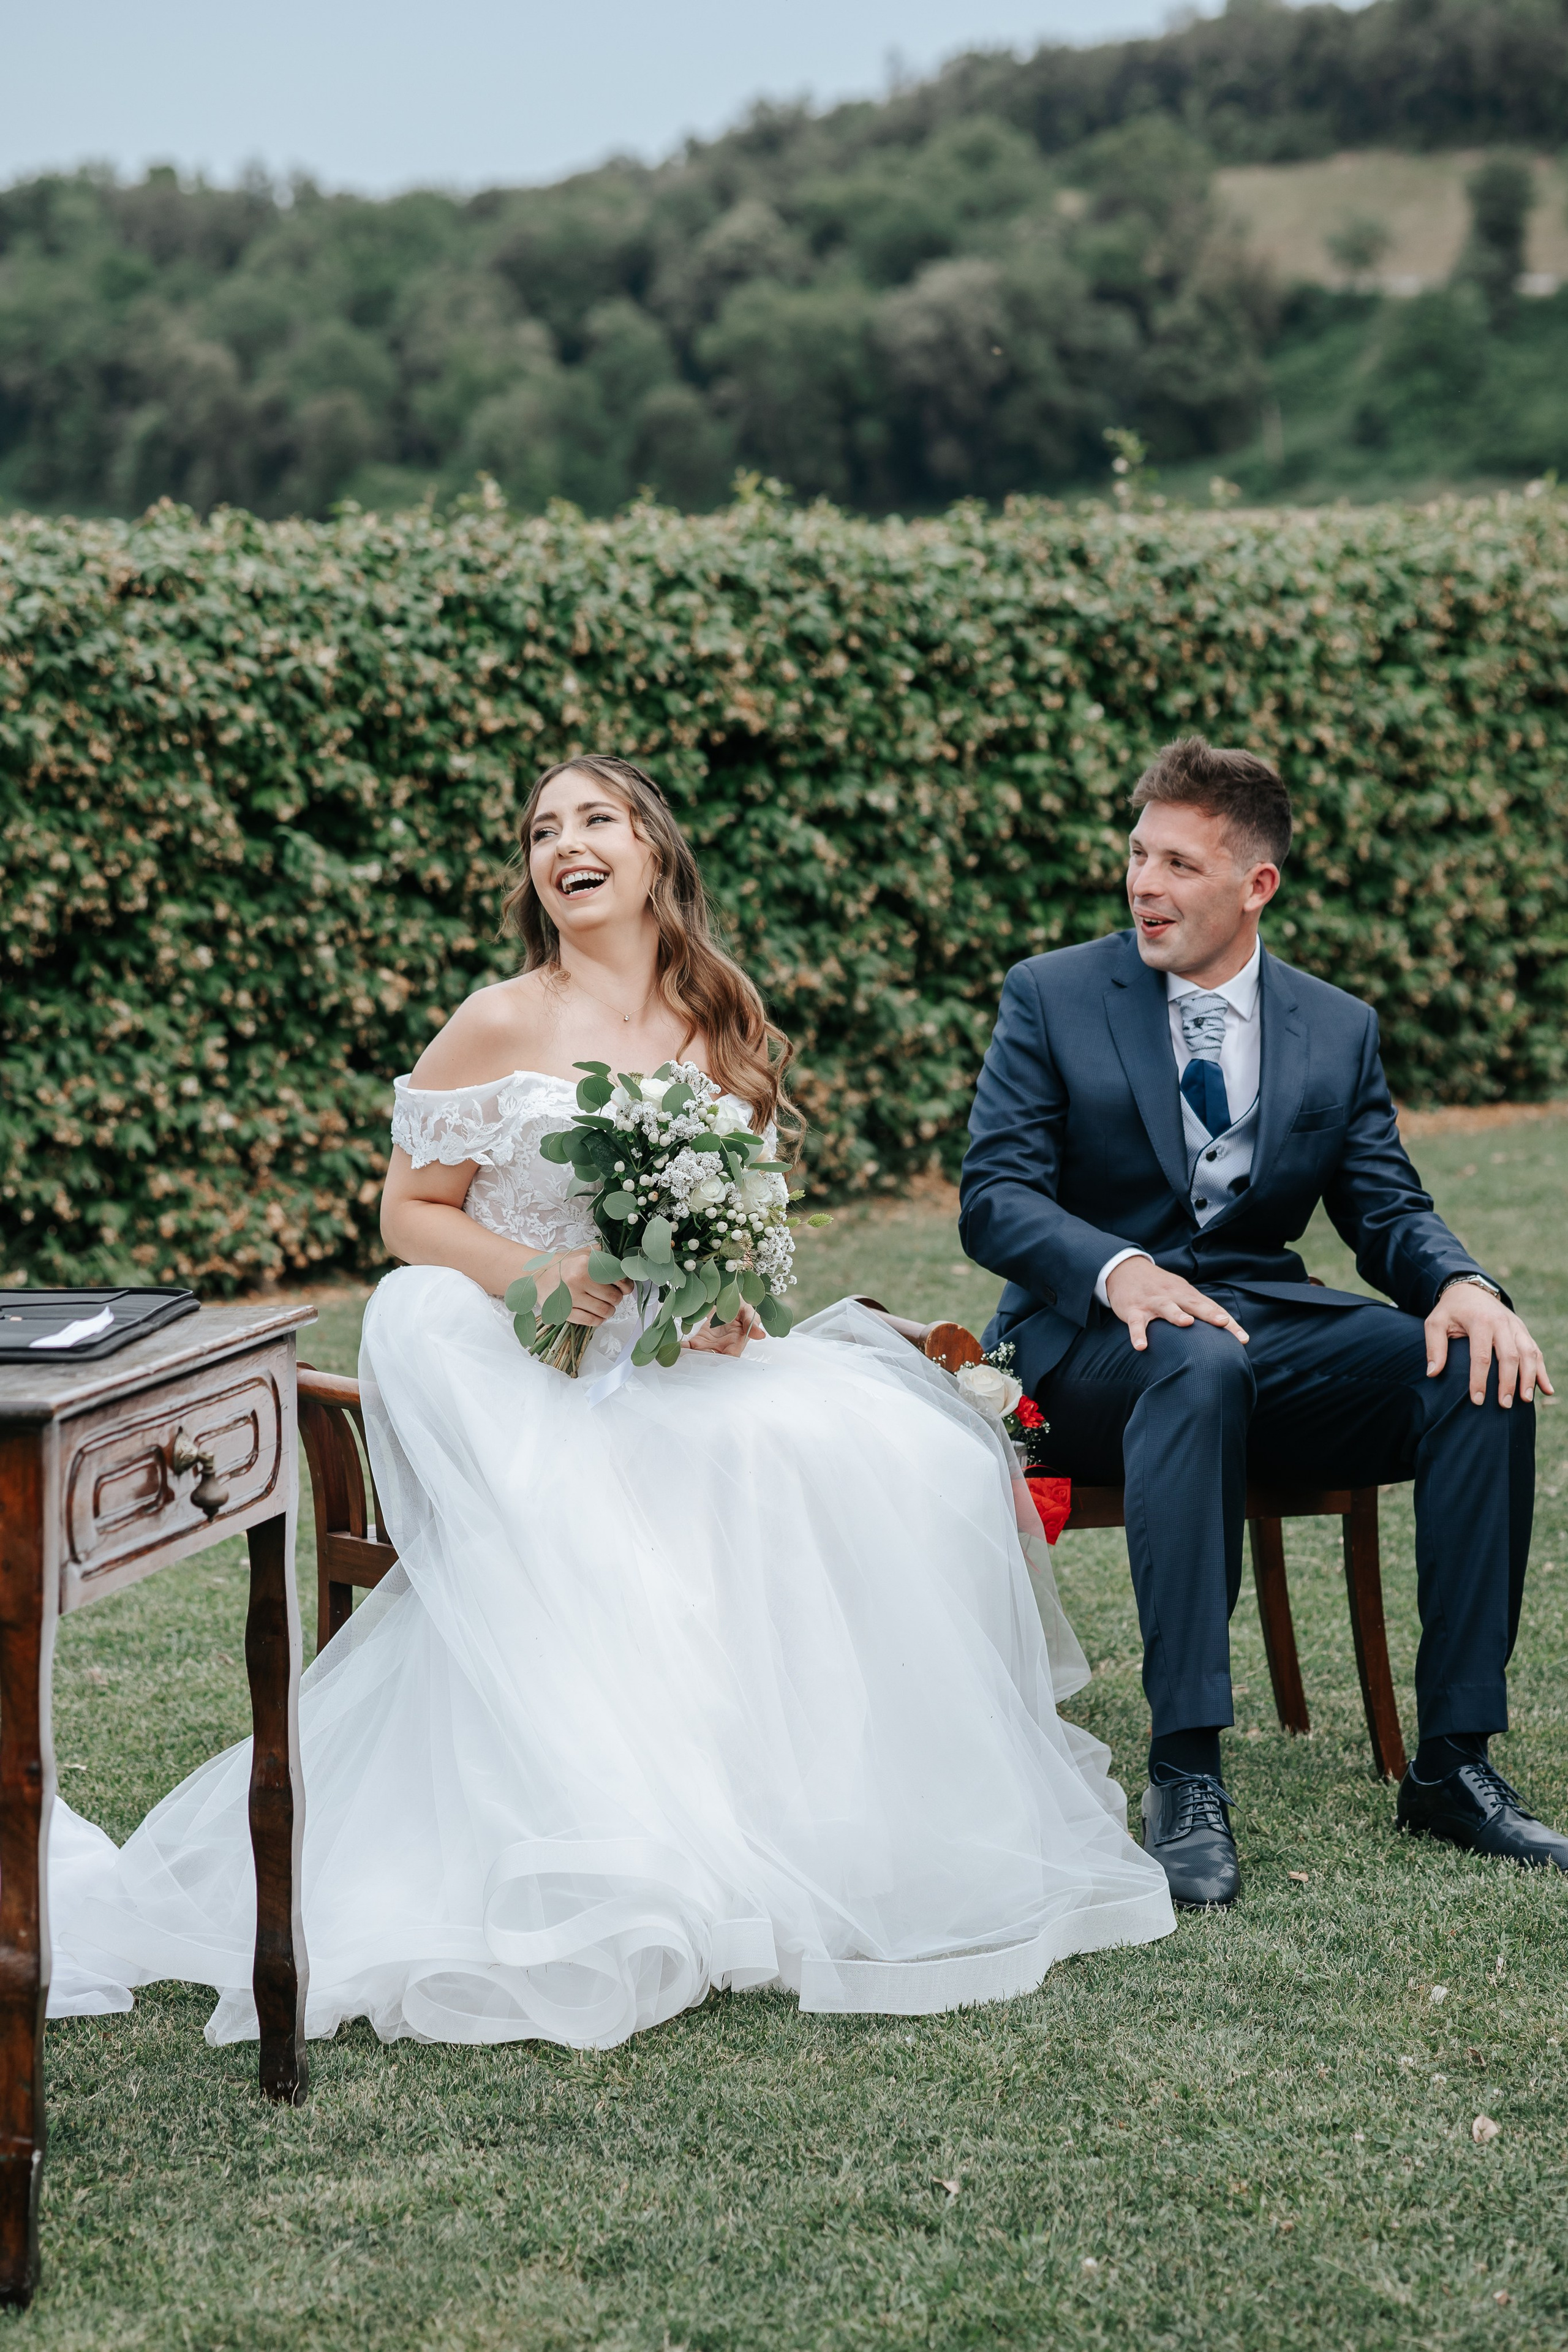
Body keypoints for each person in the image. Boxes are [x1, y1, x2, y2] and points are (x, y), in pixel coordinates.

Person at [45, 753, 1174, 2049]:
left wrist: (713, 1298)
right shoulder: (501, 1020)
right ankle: (633, 1838)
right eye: (541, 830)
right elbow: (408, 1216)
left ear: (652, 854)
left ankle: (816, 1817)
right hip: (507, 1343)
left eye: (596, 820)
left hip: (655, 1356)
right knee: (614, 1475)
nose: (564, 844)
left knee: (868, 1452)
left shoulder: (716, 1015)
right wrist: (539, 1272)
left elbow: (715, 1245)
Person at [960, 736, 1562, 1909]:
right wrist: (1116, 1266)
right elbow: (997, 1197)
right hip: (1085, 1348)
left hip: (1261, 1327)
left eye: (1179, 864)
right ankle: (1185, 1768)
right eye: (1138, 854)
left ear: (1256, 885)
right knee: (1191, 1363)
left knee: (1474, 1369)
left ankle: (1455, 1766)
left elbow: (1386, 1208)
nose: (1143, 884)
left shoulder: (1335, 1027)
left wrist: (1464, 1285)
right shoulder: (1053, 993)